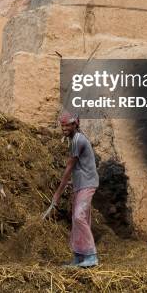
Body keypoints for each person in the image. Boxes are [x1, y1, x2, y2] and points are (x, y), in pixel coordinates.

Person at [53, 112, 99, 268]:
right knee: (78, 218)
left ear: (75, 125)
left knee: (79, 216)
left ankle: (91, 256)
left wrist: (57, 194)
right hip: (80, 184)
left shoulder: (78, 140)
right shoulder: (73, 140)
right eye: (63, 125)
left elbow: (69, 168)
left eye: (67, 125)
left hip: (87, 183)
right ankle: (79, 257)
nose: (64, 128)